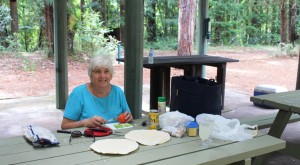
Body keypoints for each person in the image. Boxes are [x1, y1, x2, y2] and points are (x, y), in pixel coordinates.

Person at [61, 55, 133, 129]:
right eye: (98, 72)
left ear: (111, 75)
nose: (102, 76)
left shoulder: (118, 92)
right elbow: (65, 126)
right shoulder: (78, 94)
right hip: (89, 139)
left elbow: (128, 118)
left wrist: (129, 117)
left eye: (106, 71)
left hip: (116, 138)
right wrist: (85, 122)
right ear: (90, 75)